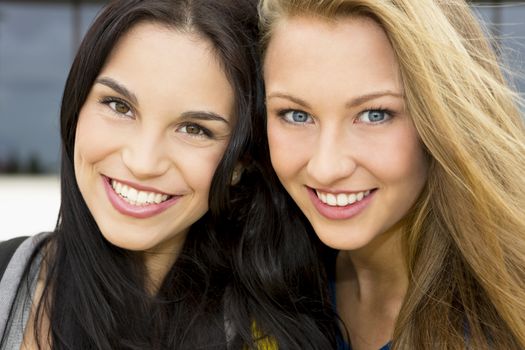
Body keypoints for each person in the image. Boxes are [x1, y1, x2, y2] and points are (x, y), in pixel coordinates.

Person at [251, 0, 525, 349]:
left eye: (374, 115)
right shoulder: (257, 278)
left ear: (445, 121)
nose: (327, 167)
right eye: (296, 115)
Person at [0, 0, 263, 348]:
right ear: (76, 107)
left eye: (194, 129)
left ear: (239, 163)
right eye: (119, 106)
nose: (143, 162)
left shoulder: (268, 331)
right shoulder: (7, 283)